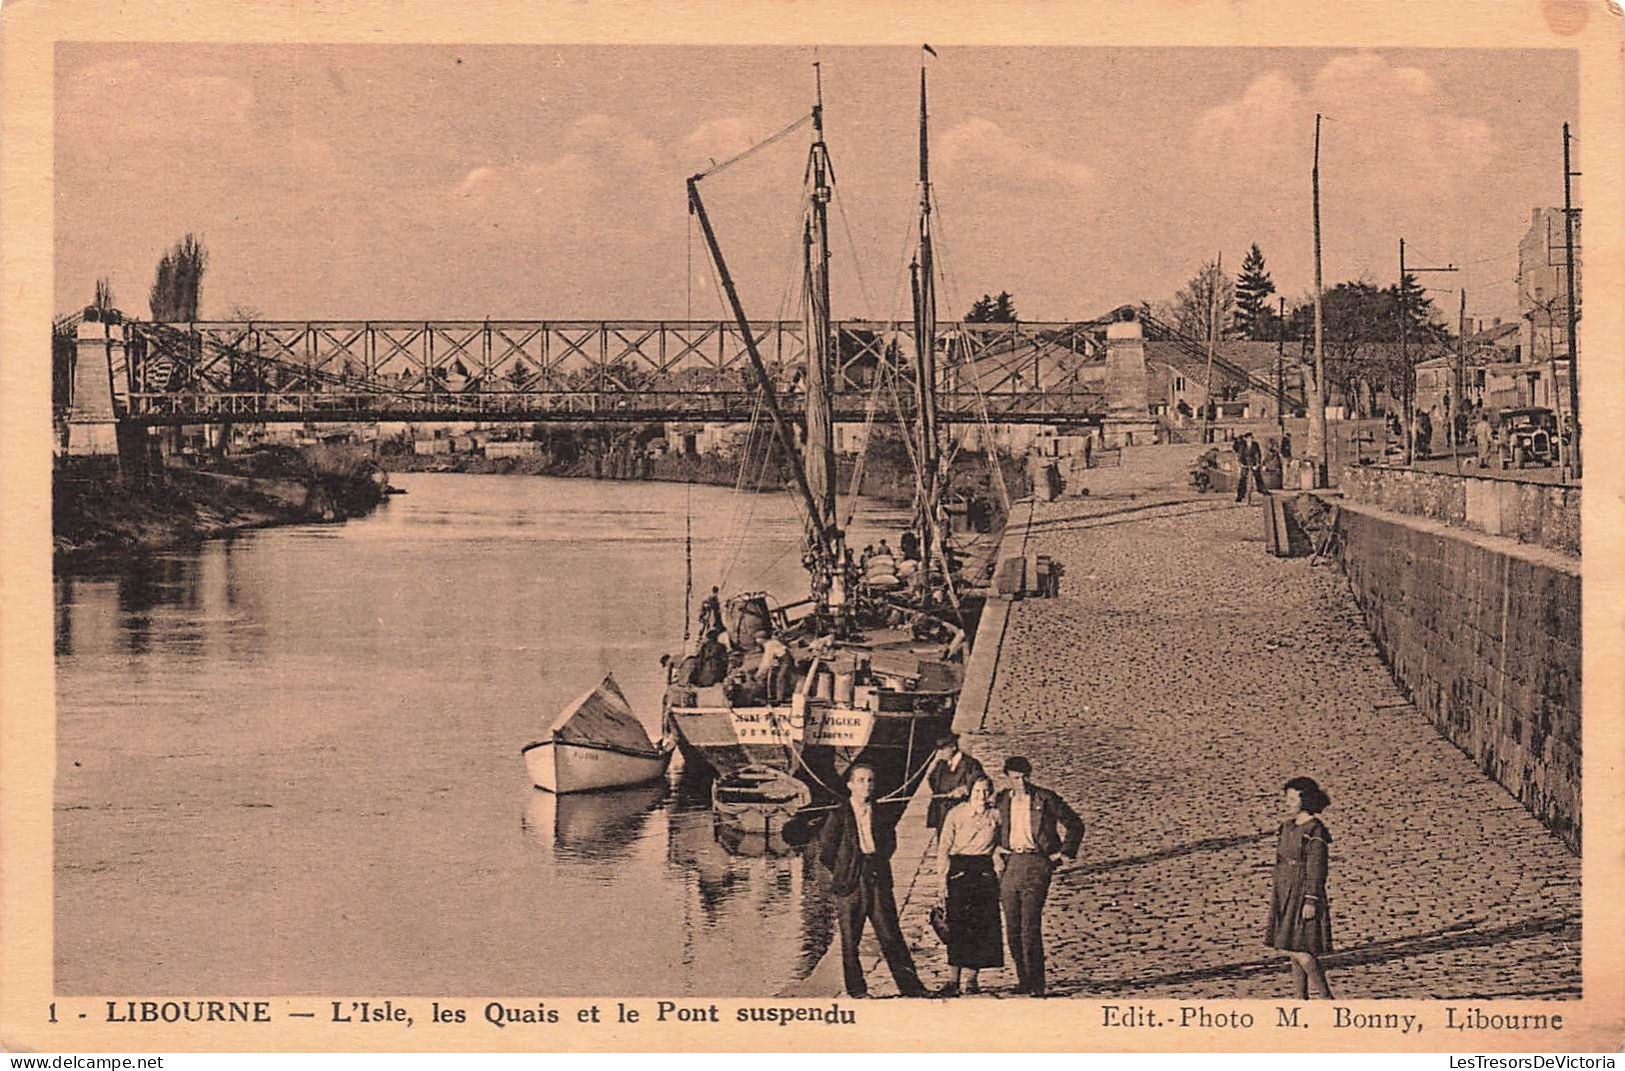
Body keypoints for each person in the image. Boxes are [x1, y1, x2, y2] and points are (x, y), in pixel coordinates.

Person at [817, 764, 930, 998]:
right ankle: (857, 991)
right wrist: (845, 871)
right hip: (850, 881)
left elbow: (890, 843)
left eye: (870, 780)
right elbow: (827, 852)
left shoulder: (881, 813)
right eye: (860, 780)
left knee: (890, 934)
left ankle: (911, 988)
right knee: (850, 940)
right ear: (850, 785)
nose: (866, 785)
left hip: (876, 876)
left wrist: (876, 862)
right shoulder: (838, 815)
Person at [994, 756, 1084, 996]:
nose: (1020, 782)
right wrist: (997, 847)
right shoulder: (1002, 800)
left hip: (1037, 863)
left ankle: (1036, 983)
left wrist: (1064, 854)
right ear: (1007, 777)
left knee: (1029, 925)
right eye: (1015, 778)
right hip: (1012, 863)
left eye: (1024, 777)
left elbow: (1075, 824)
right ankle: (1023, 980)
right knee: (1012, 926)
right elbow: (991, 824)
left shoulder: (1045, 798)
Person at [935, 775, 1004, 997]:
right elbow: (944, 847)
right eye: (977, 791)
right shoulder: (956, 814)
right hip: (959, 869)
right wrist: (942, 879)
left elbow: (1001, 842)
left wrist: (999, 861)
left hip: (983, 871)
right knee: (957, 925)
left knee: (981, 925)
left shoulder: (996, 815)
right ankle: (952, 980)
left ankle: (972, 979)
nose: (981, 796)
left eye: (985, 791)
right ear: (970, 792)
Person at [1268, 776, 1335, 1000]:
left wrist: (1311, 899)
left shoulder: (1315, 830)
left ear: (1305, 801)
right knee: (1293, 948)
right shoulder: (1286, 827)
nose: (1287, 802)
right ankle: (1301, 998)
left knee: (1301, 950)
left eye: (1292, 798)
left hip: (1302, 891)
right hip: (1284, 891)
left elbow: (1317, 868)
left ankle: (1327, 998)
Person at [926, 734, 986, 830]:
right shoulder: (941, 764)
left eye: (942, 749)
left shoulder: (971, 764)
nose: (939, 753)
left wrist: (965, 789)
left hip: (963, 811)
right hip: (942, 812)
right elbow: (932, 779)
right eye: (938, 750)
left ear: (953, 747)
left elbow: (982, 783)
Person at [1247, 434, 1268, 498]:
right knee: (1247, 482)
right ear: (1246, 439)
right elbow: (1241, 455)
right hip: (1246, 465)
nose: (1251, 439)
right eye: (1249, 438)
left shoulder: (1255, 445)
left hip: (1255, 465)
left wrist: (1257, 464)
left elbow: (1258, 454)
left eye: (1251, 438)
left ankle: (1262, 491)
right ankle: (1246, 496)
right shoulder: (1243, 445)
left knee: (1258, 478)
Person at [1232, 434, 1252, 504]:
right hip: (1244, 465)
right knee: (1243, 480)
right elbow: (1239, 454)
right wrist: (1241, 463)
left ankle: (1245, 497)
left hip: (1249, 465)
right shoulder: (1242, 445)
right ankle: (1242, 496)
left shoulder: (1251, 445)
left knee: (1246, 481)